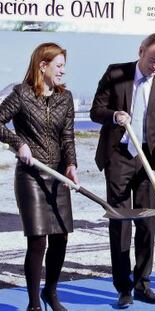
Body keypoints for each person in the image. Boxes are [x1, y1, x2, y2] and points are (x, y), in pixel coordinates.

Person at [90, 33, 155, 308]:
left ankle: (142, 284)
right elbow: (95, 110)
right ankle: (123, 288)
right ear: (141, 51)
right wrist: (114, 116)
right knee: (120, 223)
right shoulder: (116, 73)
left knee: (147, 224)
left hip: (149, 162)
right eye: (153, 60)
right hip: (118, 156)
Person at [0, 43, 78, 311]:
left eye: (63, 68)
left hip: (57, 175)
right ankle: (34, 304)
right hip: (31, 176)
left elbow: (67, 136)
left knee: (61, 237)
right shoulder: (21, 94)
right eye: (58, 66)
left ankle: (51, 292)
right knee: (38, 240)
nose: (62, 72)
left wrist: (71, 166)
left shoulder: (65, 98)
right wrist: (18, 143)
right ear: (42, 66)